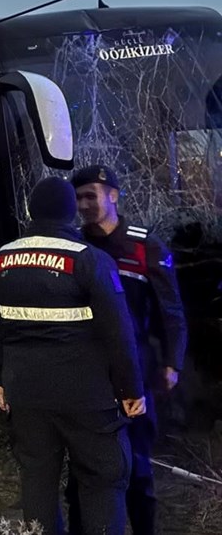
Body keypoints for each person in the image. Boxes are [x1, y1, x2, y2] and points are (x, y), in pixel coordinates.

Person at [0, 177, 146, 535]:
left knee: (37, 480)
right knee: (103, 480)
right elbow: (119, 332)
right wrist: (131, 389)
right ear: (72, 212)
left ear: (30, 212)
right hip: (88, 396)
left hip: (26, 394)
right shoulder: (90, 260)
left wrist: (0, 380)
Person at [67, 165, 188, 535]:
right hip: (83, 372)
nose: (84, 204)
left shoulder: (144, 245)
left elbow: (171, 311)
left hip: (135, 372)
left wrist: (172, 363)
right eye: (78, 197)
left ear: (114, 196)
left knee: (137, 466)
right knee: (80, 469)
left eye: (92, 195)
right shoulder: (72, 246)